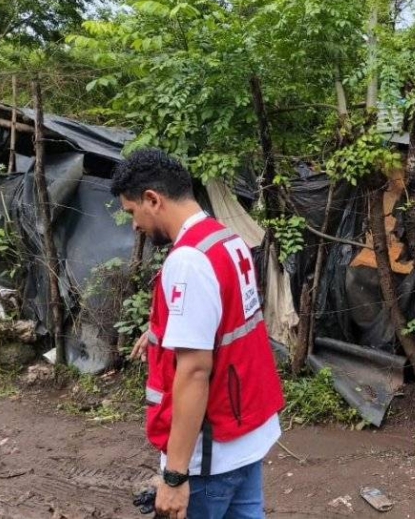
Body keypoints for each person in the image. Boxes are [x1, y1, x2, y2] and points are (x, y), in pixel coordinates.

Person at [111, 149, 285, 519]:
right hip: (246, 435)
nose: (134, 225)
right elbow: (223, 320)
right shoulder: (226, 240)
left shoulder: (188, 261)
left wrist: (174, 476)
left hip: (211, 453)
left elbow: (194, 371)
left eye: (131, 212)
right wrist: (160, 330)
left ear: (153, 200)